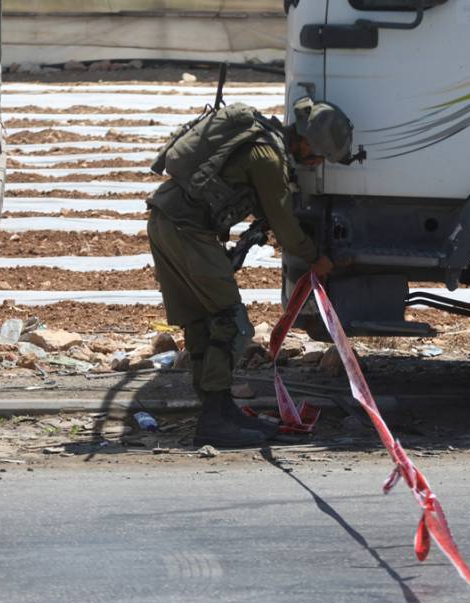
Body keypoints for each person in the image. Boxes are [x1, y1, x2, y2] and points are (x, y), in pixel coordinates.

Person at [146, 97, 353, 448]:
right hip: (186, 229)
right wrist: (315, 257)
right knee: (230, 322)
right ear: (304, 143)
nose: (317, 164)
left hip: (169, 222)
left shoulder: (262, 143)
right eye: (318, 156)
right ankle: (214, 419)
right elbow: (286, 227)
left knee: (202, 321)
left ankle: (220, 410)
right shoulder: (268, 157)